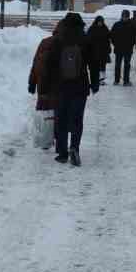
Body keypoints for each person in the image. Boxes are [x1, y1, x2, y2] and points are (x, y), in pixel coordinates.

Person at [40, 13, 98, 165]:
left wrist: (45, 87)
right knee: (77, 119)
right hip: (80, 86)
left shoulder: (58, 40)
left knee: (61, 119)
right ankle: (74, 148)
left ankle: (62, 152)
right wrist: (95, 82)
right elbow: (93, 64)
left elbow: (49, 65)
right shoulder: (85, 40)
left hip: (60, 87)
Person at [26, 29, 58, 150]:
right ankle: (53, 138)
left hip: (42, 84)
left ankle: (44, 139)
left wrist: (32, 83)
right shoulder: (62, 44)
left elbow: (35, 64)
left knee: (43, 112)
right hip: (56, 85)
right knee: (55, 112)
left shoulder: (44, 42)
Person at [109, 10, 136, 85]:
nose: (125, 18)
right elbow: (112, 35)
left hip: (128, 49)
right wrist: (115, 43)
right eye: (123, 16)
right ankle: (116, 80)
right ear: (121, 16)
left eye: (126, 16)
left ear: (128, 17)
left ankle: (126, 81)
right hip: (118, 48)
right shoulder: (117, 24)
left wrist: (133, 44)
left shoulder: (132, 25)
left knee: (127, 65)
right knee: (117, 65)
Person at [86, 15, 112, 84]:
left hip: (103, 51)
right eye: (99, 22)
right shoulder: (92, 29)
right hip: (94, 51)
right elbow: (88, 39)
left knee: (103, 66)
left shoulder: (105, 29)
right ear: (96, 22)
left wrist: (109, 48)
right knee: (95, 66)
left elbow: (108, 40)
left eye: (101, 22)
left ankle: (102, 80)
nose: (100, 23)